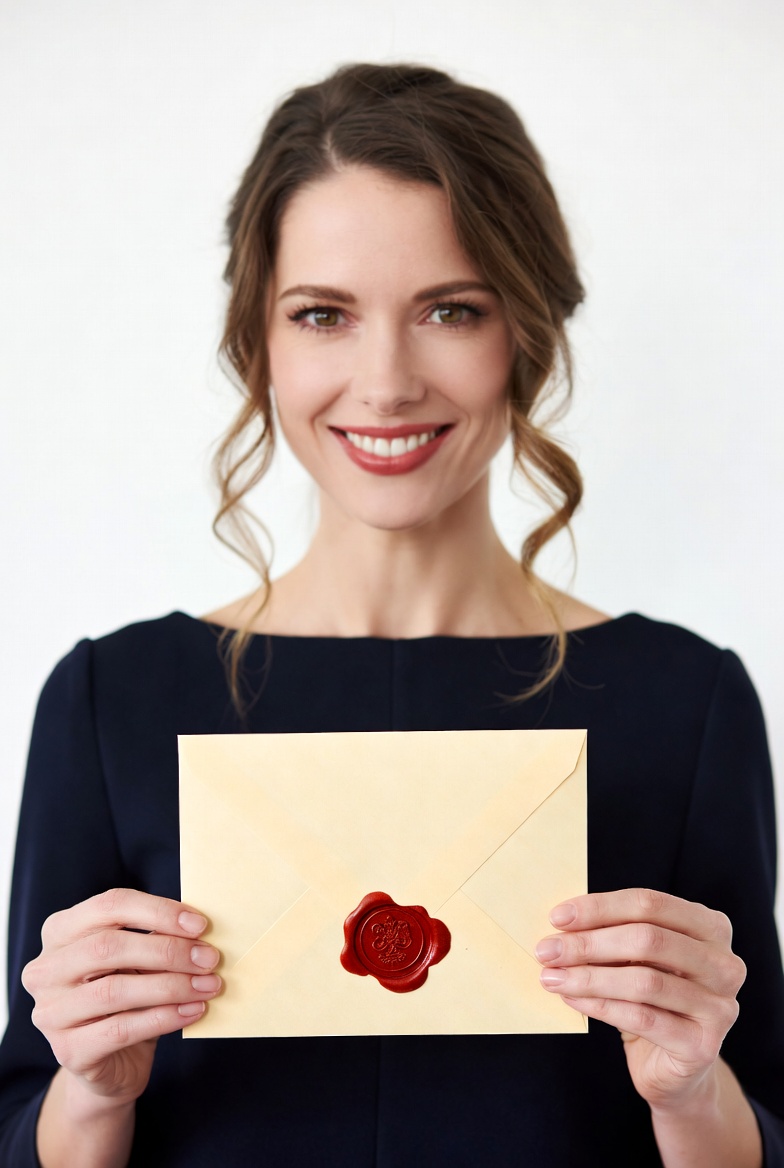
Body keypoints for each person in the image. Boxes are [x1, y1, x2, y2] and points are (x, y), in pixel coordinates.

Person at [0, 61, 782, 1168]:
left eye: (450, 310)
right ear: (259, 342)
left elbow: (767, 1117)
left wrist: (692, 1093)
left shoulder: (685, 701)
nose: (385, 382)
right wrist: (89, 1094)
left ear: (526, 331)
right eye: (322, 315)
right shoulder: (109, 699)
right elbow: (22, 1123)